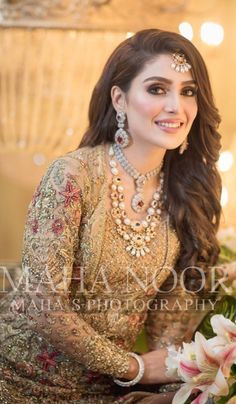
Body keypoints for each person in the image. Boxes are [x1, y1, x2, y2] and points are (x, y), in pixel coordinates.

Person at [0, 28, 222, 403]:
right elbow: (42, 305)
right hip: (18, 381)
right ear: (119, 99)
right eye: (156, 89)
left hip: (106, 392)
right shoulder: (73, 176)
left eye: (188, 91)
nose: (176, 106)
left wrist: (178, 393)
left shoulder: (189, 193)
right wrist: (132, 368)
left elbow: (167, 329)